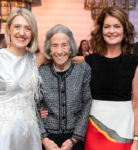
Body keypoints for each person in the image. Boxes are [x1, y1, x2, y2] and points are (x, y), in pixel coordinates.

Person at [0, 8, 52, 150]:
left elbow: (64, 58)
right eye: (17, 26)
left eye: (27, 28)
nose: (22, 33)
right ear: (9, 29)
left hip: (30, 134)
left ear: (32, 33)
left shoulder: (36, 59)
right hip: (2, 136)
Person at [84, 6, 138, 150]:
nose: (112, 31)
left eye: (117, 26)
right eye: (107, 26)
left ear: (124, 29)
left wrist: (137, 140)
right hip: (94, 129)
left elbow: (136, 105)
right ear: (101, 30)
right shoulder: (90, 61)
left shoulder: (134, 62)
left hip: (123, 131)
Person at [38, 24, 92, 150]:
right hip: (48, 138)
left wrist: (74, 139)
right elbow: (34, 107)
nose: (60, 51)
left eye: (64, 45)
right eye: (55, 45)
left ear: (71, 48)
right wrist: (45, 140)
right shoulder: (41, 72)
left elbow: (87, 104)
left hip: (76, 138)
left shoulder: (83, 70)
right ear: (49, 49)